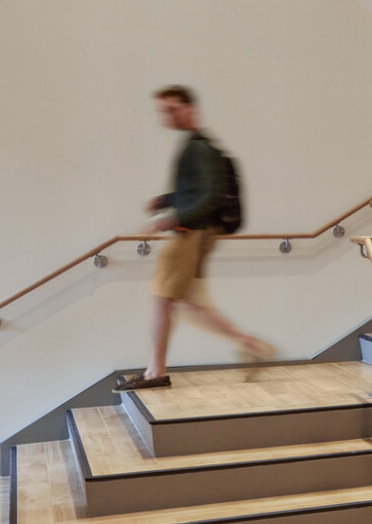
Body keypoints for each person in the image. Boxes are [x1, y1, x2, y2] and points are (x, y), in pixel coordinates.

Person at [114, 86, 273, 390]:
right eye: (164, 110)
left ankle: (155, 372)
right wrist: (166, 200)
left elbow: (211, 195)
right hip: (193, 233)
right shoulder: (194, 146)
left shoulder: (199, 147)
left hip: (191, 234)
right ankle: (251, 345)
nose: (167, 116)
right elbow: (197, 191)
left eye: (173, 109)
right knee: (187, 304)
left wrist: (175, 218)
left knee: (164, 298)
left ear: (190, 109)